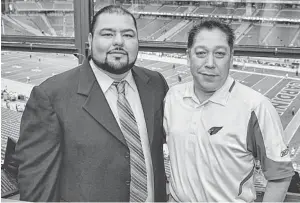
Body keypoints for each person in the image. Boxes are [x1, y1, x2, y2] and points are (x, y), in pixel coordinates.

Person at [15, 5, 168, 202]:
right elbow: (37, 187)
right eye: (107, 34)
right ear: (89, 40)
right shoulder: (51, 96)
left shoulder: (156, 84)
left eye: (128, 35)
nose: (119, 42)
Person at [163, 19, 294, 202]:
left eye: (219, 54)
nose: (210, 63)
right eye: (201, 53)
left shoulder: (255, 106)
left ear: (231, 58)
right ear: (188, 56)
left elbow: (280, 175)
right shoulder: (172, 98)